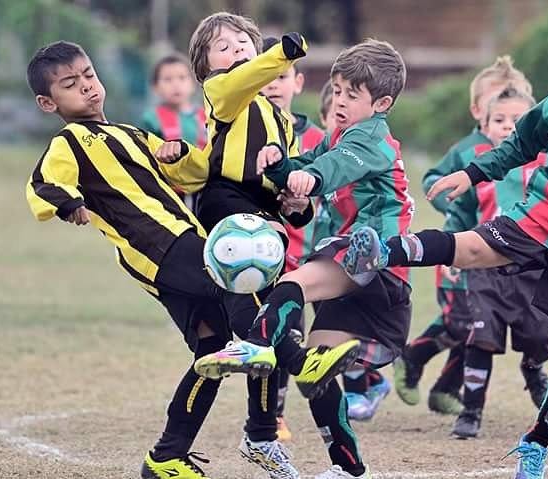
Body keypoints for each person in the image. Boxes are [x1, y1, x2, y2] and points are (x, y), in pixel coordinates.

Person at [343, 15, 548, 479]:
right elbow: (516, 149)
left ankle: (536, 443)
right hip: (538, 219)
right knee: (474, 248)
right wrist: (471, 173)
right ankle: (383, 250)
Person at [24, 40, 351, 479]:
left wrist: (178, 154)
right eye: (70, 84)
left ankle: (166, 456)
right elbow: (44, 180)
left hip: (180, 244)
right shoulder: (70, 140)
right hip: (162, 245)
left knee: (212, 349)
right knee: (247, 289)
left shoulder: (132, 134)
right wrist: (67, 204)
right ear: (48, 103)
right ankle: (299, 363)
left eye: (88, 76)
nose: (86, 87)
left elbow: (195, 173)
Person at [153, 13, 363, 479]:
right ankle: (300, 365)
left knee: (270, 323)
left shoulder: (280, 119)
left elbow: (293, 203)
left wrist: (296, 202)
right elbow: (243, 81)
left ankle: (263, 434)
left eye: (243, 42)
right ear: (205, 67)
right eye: (223, 46)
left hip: (265, 219)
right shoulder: (222, 93)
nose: (237, 50)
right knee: (258, 318)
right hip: (226, 207)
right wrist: (280, 52)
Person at [196, 39, 412, 479]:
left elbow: (331, 168)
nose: (340, 101)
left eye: (354, 94)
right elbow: (310, 160)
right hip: (351, 261)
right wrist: (279, 163)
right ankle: (349, 469)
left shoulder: (371, 140)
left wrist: (306, 177)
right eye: (336, 90)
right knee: (316, 373)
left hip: (373, 255)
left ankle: (254, 346)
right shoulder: (341, 133)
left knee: (292, 285)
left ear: (382, 103)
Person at [397, 56, 534, 416]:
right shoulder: (469, 150)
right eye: (496, 106)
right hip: (463, 250)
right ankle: (414, 356)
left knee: (477, 324)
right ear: (479, 109)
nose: (504, 111)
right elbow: (433, 180)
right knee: (463, 321)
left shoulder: (527, 153)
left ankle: (445, 388)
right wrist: (455, 204)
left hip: (498, 257)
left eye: (514, 102)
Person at [441, 87, 548, 439]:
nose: (508, 127)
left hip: (532, 268)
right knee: (481, 337)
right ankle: (471, 410)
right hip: (484, 269)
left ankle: (533, 366)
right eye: (499, 120)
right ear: (485, 125)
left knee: (538, 334)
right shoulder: (478, 171)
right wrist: (452, 251)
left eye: (518, 121)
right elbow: (459, 215)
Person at [259, 36, 325, 439]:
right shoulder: (243, 133)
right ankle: (271, 415)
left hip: (305, 254)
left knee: (296, 331)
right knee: (271, 332)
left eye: (281, 75)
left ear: (297, 82)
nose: (273, 84)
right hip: (259, 254)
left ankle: (278, 411)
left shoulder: (317, 139)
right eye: (265, 76)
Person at [141, 53, 207, 210]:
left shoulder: (205, 116)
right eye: (168, 80)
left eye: (182, 78)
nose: (176, 85)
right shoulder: (152, 119)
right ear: (155, 87)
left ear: (193, 83)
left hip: (205, 189)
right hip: (170, 193)